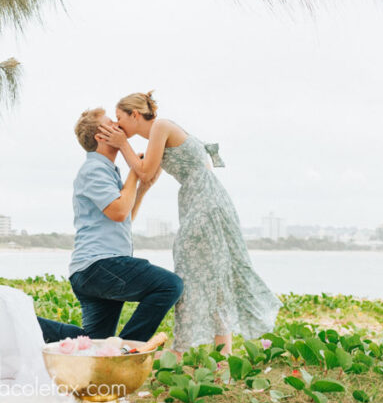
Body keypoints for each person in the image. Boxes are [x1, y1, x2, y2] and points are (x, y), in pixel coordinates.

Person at [96, 91, 281, 355]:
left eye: (119, 118)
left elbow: (146, 171)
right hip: (202, 200)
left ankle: (181, 351)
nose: (118, 125)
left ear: (134, 115)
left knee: (188, 268)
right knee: (211, 272)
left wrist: (123, 146)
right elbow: (149, 176)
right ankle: (221, 354)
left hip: (204, 203)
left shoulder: (160, 126)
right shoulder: (158, 135)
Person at [36, 107, 183, 345]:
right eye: (111, 123)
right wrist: (137, 172)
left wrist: (141, 190)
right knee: (169, 285)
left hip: (94, 269)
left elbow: (123, 217)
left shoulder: (106, 170)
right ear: (100, 136)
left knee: (93, 341)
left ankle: (25, 324)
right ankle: (124, 350)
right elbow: (119, 211)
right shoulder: (94, 170)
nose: (118, 125)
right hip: (99, 266)